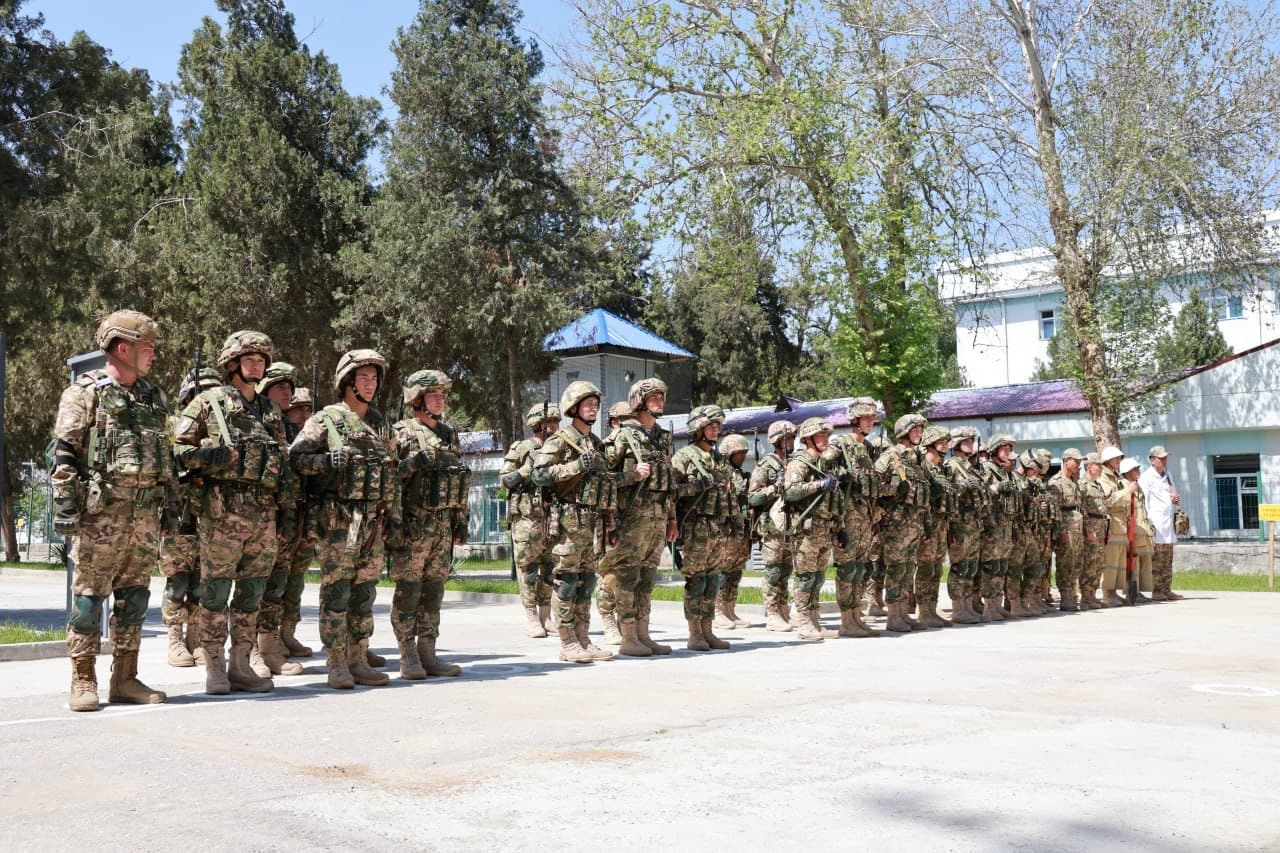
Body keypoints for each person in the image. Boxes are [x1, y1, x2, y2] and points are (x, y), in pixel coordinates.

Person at [52, 310, 173, 711]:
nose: (153, 355)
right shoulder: (85, 393)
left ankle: (125, 677)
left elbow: (164, 456)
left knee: (135, 598)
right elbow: (65, 455)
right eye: (148, 348)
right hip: (99, 518)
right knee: (89, 599)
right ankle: (82, 678)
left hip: (143, 517)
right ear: (124, 349)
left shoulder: (153, 397)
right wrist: (67, 510)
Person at [173, 331, 293, 695]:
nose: (256, 365)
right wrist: (209, 457)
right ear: (232, 364)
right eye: (250, 359)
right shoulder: (209, 403)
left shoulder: (271, 411)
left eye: (261, 361)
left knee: (252, 592)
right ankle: (214, 666)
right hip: (223, 514)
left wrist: (286, 510)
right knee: (215, 592)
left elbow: (283, 464)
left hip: (264, 513)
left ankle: (241, 662)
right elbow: (177, 450)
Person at [288, 350, 399, 689]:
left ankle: (358, 656)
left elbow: (391, 471)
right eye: (364, 378)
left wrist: (393, 515)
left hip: (373, 522)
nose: (371, 383)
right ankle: (336, 661)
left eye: (374, 378)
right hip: (338, 522)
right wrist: (328, 461)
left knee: (365, 592)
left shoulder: (380, 421)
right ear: (347, 382)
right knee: (337, 593)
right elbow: (296, 460)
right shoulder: (325, 420)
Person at [388, 370, 471, 679]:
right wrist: (414, 462)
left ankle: (428, 652)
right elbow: (390, 478)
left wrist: (461, 520)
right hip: (413, 527)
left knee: (434, 592)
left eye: (442, 395)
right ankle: (407, 654)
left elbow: (459, 480)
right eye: (433, 395)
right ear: (417, 400)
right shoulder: (403, 432)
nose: (440, 399)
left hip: (442, 526)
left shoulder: (449, 434)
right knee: (408, 592)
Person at [532, 381, 615, 663]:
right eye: (587, 403)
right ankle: (567, 642)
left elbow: (604, 483)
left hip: (591, 522)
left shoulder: (595, 443)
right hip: (568, 521)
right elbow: (538, 474)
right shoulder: (559, 439)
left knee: (587, 581)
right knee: (567, 582)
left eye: (595, 403)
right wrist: (576, 466)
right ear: (574, 408)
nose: (593, 407)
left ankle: (583, 637)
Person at [597, 377, 681, 656]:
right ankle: (628, 636)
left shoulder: (661, 438)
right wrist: (632, 476)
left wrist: (672, 519)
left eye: (661, 397)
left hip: (657, 518)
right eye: (654, 397)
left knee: (647, 578)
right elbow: (602, 479)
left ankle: (644, 634)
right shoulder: (624, 435)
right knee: (628, 577)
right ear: (639, 401)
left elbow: (668, 485)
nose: (659, 401)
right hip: (631, 518)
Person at [160, 366, 221, 668]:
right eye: (199, 394)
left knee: (201, 581)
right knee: (178, 580)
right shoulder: (173, 428)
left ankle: (194, 636)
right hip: (178, 515)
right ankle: (174, 637)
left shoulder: (221, 433)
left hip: (210, 514)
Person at [252, 361, 306, 677]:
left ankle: (270, 648)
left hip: (286, 518)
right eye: (280, 386)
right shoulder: (255, 422)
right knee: (254, 588)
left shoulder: (290, 430)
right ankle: (251, 652)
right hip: (255, 517)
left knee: (276, 586)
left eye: (290, 386)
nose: (288, 392)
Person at [671, 405, 733, 651]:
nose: (716, 430)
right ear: (698, 429)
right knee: (696, 581)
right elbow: (672, 492)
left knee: (712, 580)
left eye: (718, 426)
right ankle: (694, 632)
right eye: (711, 426)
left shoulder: (718, 460)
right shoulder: (684, 457)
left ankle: (708, 629)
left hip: (716, 526)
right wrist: (697, 486)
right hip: (695, 527)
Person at [501, 403, 561, 638]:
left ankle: (546, 617)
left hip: (552, 517)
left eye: (556, 422)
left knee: (549, 569)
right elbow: (505, 480)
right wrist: (527, 470)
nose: (554, 427)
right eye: (550, 423)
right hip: (527, 518)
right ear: (537, 425)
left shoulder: (558, 449)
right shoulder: (522, 448)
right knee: (528, 569)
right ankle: (531, 617)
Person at [825, 397, 881, 638]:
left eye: (871, 419)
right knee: (847, 569)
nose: (870, 423)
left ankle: (857, 616)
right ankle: (847, 620)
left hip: (866, 516)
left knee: (861, 569)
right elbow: (822, 467)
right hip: (846, 516)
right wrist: (840, 475)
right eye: (866, 419)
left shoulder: (868, 448)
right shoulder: (840, 444)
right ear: (855, 421)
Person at [782, 417, 841, 641]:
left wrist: (839, 526)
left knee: (817, 577)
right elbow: (791, 491)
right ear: (808, 439)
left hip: (823, 529)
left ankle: (815, 619)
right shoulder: (799, 463)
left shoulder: (823, 465)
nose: (825, 439)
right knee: (805, 577)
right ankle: (803, 620)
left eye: (826, 435)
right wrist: (819, 485)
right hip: (806, 531)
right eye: (820, 435)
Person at [874, 414, 931, 632]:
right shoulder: (891, 456)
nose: (919, 434)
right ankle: (892, 614)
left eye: (920, 430)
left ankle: (903, 612)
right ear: (904, 432)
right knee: (896, 569)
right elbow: (872, 486)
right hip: (896, 524)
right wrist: (894, 490)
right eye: (915, 430)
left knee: (908, 569)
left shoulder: (917, 459)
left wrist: (925, 523)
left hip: (914, 523)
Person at [748, 420, 798, 632]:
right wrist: (775, 489)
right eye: (786, 438)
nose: (790, 442)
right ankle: (772, 612)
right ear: (776, 441)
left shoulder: (794, 463)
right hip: (771, 527)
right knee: (773, 571)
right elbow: (752, 497)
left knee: (786, 570)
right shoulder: (766, 465)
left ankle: (783, 608)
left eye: (792, 438)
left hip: (790, 526)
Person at [278, 385, 316, 658]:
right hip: (283, 516)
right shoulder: (278, 434)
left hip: (305, 517)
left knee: (296, 580)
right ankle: (268, 637)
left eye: (308, 408)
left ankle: (288, 632)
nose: (305, 413)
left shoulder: (312, 440)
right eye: (298, 408)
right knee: (276, 579)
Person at [944, 427, 985, 624]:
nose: (970, 444)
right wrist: (963, 487)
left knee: (970, 567)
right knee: (960, 566)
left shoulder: (970, 467)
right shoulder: (951, 466)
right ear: (957, 444)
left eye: (971, 441)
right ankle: (958, 607)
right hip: (959, 523)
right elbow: (947, 493)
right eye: (966, 441)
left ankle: (968, 604)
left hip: (973, 523)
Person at [915, 425, 954, 628]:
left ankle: (932, 608)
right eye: (941, 442)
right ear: (930, 444)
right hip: (928, 523)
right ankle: (922, 610)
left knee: (937, 568)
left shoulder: (942, 468)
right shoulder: (923, 467)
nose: (945, 445)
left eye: (946, 442)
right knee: (926, 567)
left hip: (941, 523)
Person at [715, 433, 753, 630]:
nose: (743, 457)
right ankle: (718, 611)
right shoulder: (722, 473)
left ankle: (730, 609)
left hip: (742, 527)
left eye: (744, 453)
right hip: (727, 529)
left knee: (736, 570)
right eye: (739, 453)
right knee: (723, 570)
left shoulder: (740, 473)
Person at [978, 434, 1018, 622]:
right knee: (991, 566)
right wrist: (997, 487)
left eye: (1009, 449)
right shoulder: (987, 469)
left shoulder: (1006, 471)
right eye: (1004, 449)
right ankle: (988, 606)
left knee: (1002, 565)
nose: (1008, 452)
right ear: (994, 450)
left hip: (1006, 524)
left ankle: (997, 602)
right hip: (992, 524)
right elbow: (983, 492)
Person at [1139, 445, 1185, 601]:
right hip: (1155, 523)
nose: (1165, 461)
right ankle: (1156, 590)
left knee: (1167, 558)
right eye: (1161, 458)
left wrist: (1174, 498)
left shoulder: (1168, 474)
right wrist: (1148, 521)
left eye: (1165, 458)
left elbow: (1170, 494)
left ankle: (1166, 589)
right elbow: (1144, 501)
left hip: (1168, 522)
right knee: (1157, 560)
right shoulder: (1147, 477)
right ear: (1152, 460)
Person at [1109, 457, 1155, 603]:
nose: (1138, 471)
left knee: (1141, 563)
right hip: (1131, 529)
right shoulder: (1123, 485)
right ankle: (1131, 593)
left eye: (1138, 469)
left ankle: (1138, 591)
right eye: (1135, 469)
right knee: (1132, 564)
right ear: (1127, 472)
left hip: (1142, 528)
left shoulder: (1137, 486)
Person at [1048, 448, 1085, 611]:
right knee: (1065, 563)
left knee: (1075, 562)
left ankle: (1072, 593)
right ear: (1066, 461)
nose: (1078, 464)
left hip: (1076, 527)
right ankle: (1065, 596)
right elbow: (1055, 511)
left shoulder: (1074, 482)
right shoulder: (1056, 482)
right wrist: (1060, 531)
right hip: (1066, 528)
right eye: (1075, 461)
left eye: (1079, 461)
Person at [1097, 446, 1127, 606]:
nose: (1118, 461)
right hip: (1113, 524)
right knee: (1111, 562)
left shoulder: (1116, 478)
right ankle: (1107, 594)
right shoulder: (1103, 477)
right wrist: (1127, 491)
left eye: (1119, 458)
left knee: (1119, 563)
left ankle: (1114, 592)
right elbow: (1108, 500)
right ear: (1107, 461)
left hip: (1121, 525)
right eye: (1115, 458)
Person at [1079, 452, 1109, 609]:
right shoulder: (1082, 485)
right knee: (1089, 563)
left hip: (1101, 526)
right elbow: (1082, 510)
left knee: (1099, 563)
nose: (1101, 468)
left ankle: (1092, 595)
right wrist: (1089, 529)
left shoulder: (1097, 485)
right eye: (1099, 465)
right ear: (1089, 466)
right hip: (1091, 527)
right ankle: (1085, 597)